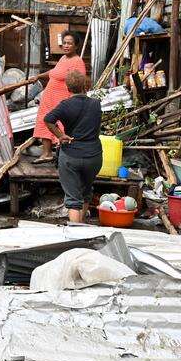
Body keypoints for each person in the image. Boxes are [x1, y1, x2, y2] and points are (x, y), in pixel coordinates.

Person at [43, 70, 103, 224]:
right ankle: (81, 227)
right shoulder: (96, 104)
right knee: (85, 191)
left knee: (73, 199)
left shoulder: (65, 105)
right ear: (85, 86)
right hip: (93, 156)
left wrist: (60, 135)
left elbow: (48, 119)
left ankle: (76, 236)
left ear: (68, 88)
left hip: (71, 156)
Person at [32, 31, 87, 163]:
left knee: (61, 126)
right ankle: (47, 153)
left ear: (76, 46)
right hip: (49, 98)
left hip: (62, 99)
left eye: (70, 43)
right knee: (44, 122)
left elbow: (81, 82)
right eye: (65, 43)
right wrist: (39, 76)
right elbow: (54, 72)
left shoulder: (77, 61)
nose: (66, 45)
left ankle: (63, 156)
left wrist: (78, 101)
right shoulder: (63, 59)